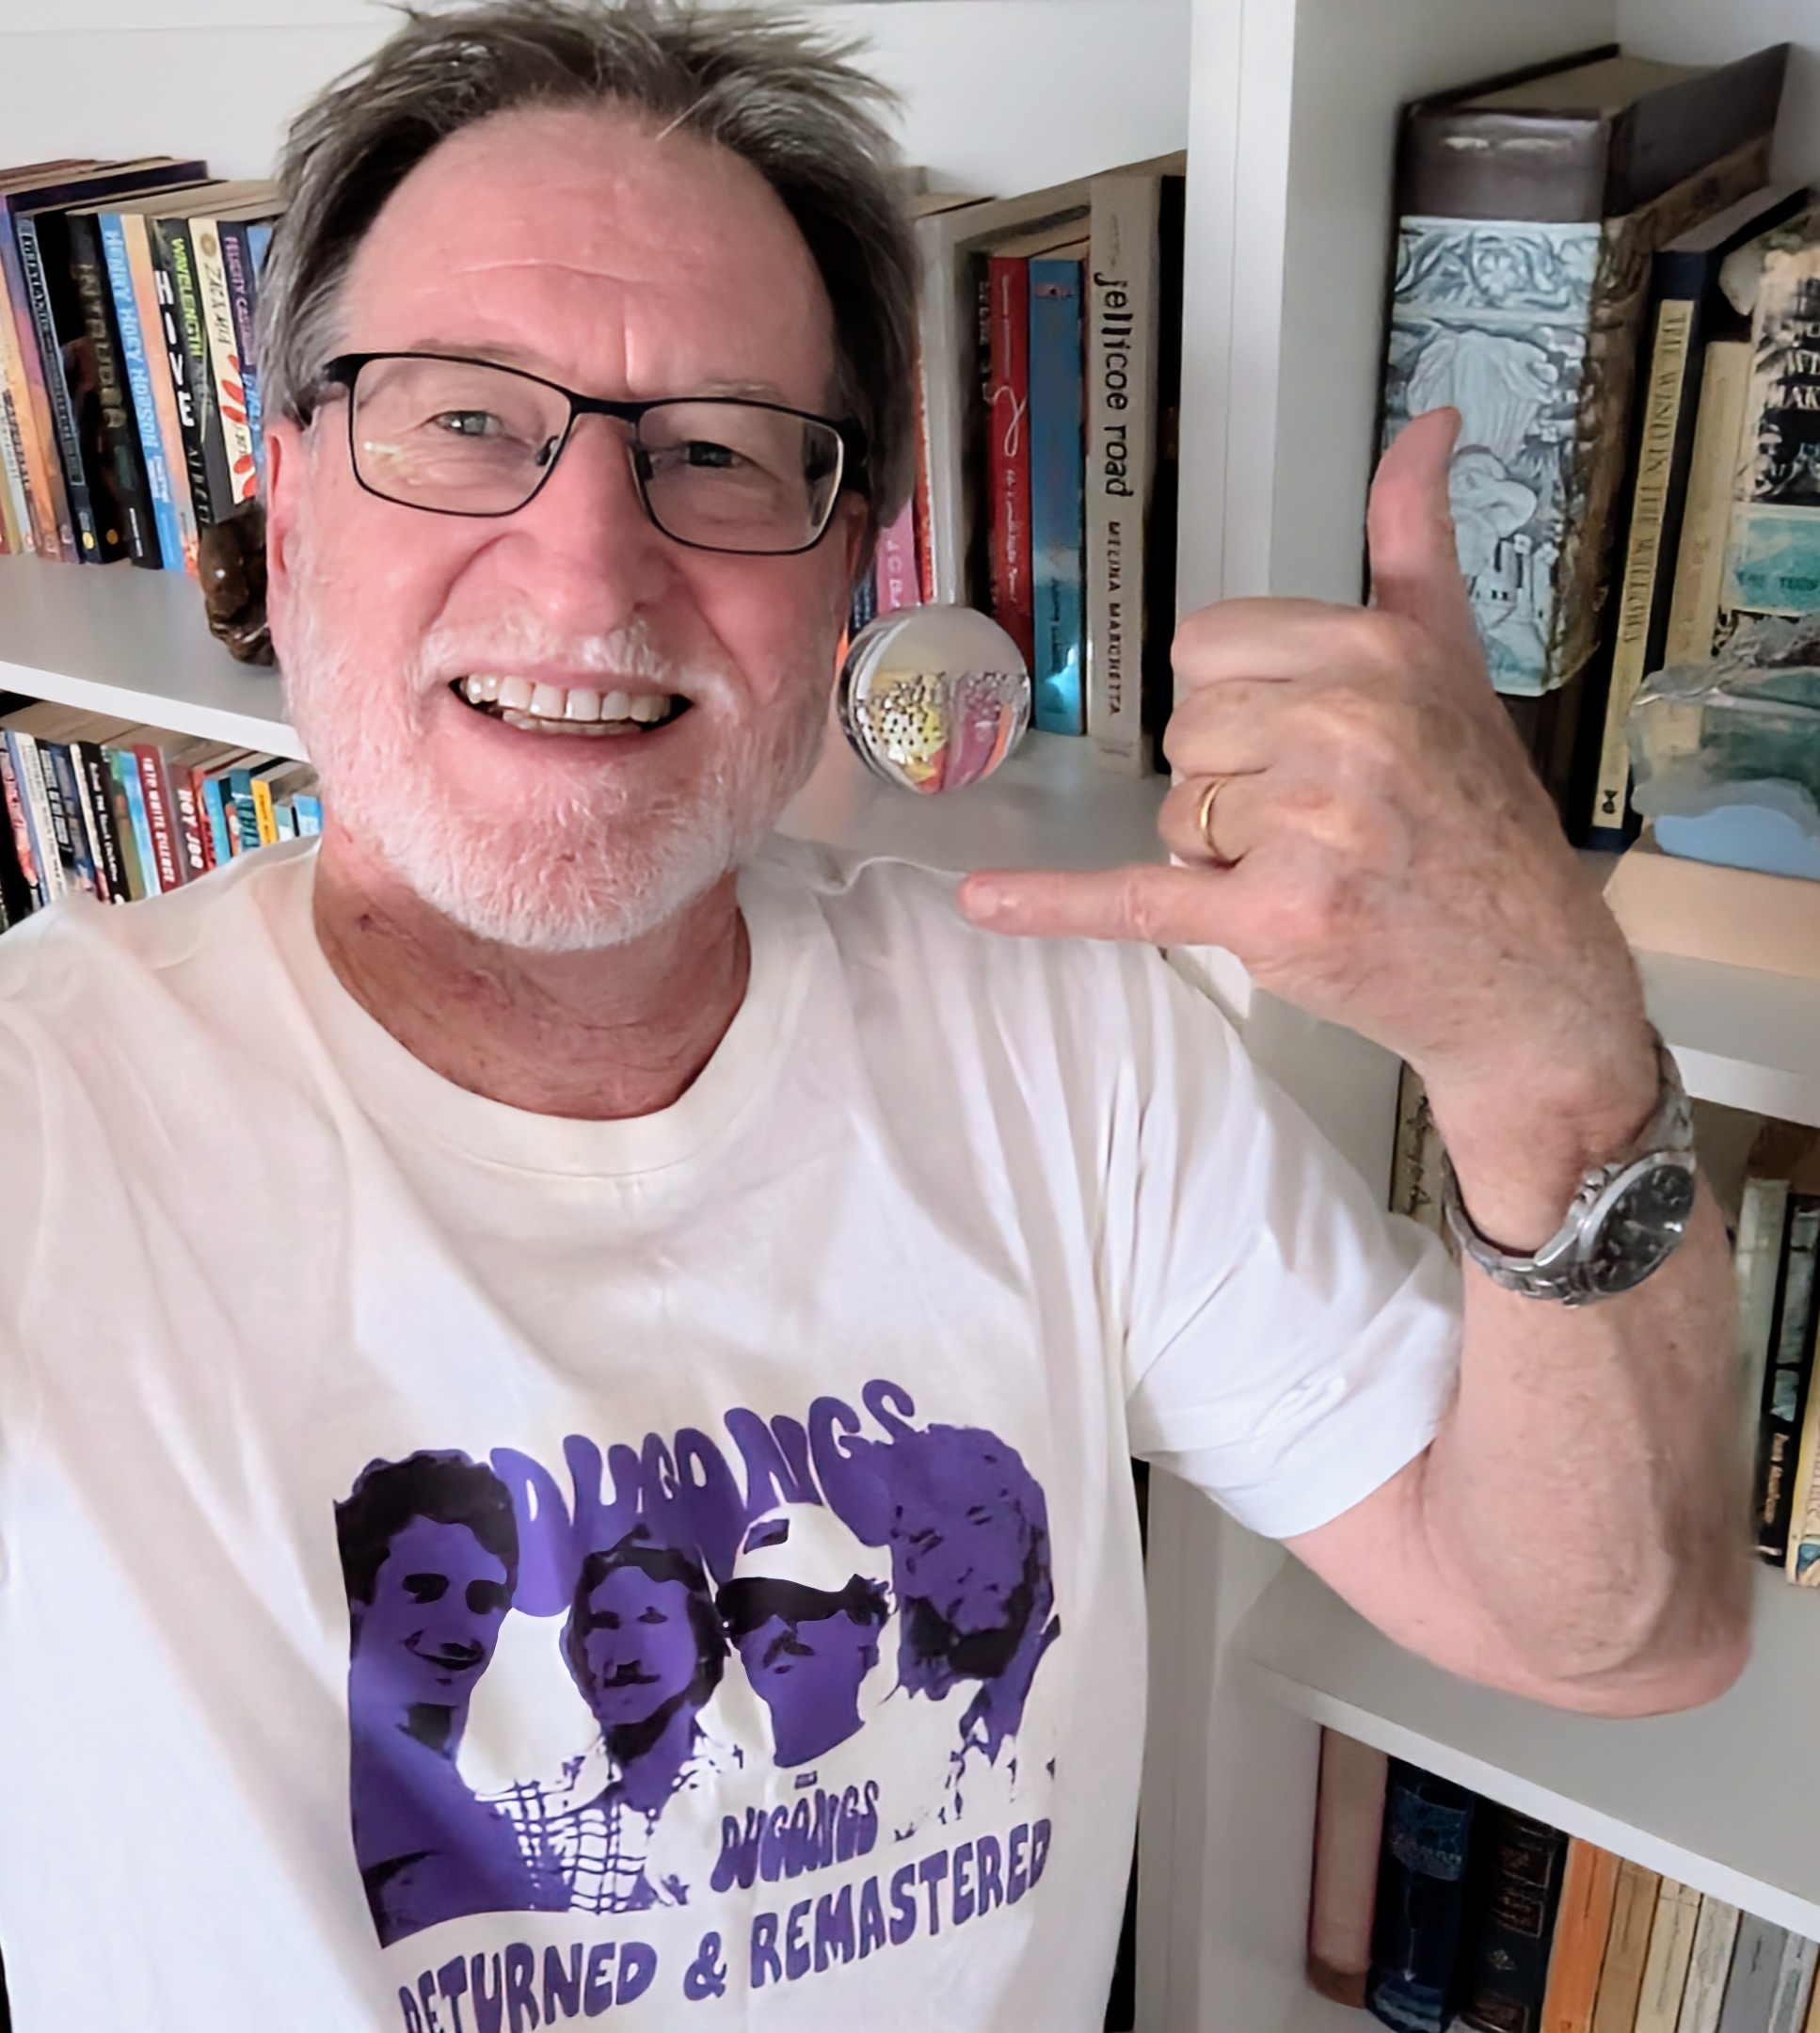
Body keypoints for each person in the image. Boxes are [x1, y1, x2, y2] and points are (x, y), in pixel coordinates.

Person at [0, 1, 1748, 2025]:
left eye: (716, 450)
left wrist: (1537, 1034)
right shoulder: (47, 1123)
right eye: (463, 420)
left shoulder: (1058, 1039)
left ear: (848, 570)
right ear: (290, 502)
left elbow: (1618, 1634)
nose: (586, 575)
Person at [336, 1450, 548, 1943]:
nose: (456, 1628)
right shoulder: (350, 1797)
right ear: (360, 1597)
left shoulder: (482, 1811)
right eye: (425, 1589)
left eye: (483, 1599)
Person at [494, 1529, 734, 1913]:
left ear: (702, 1644)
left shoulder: (751, 1782)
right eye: (604, 1624)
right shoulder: (519, 1821)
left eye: (651, 1620)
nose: (625, 1658)